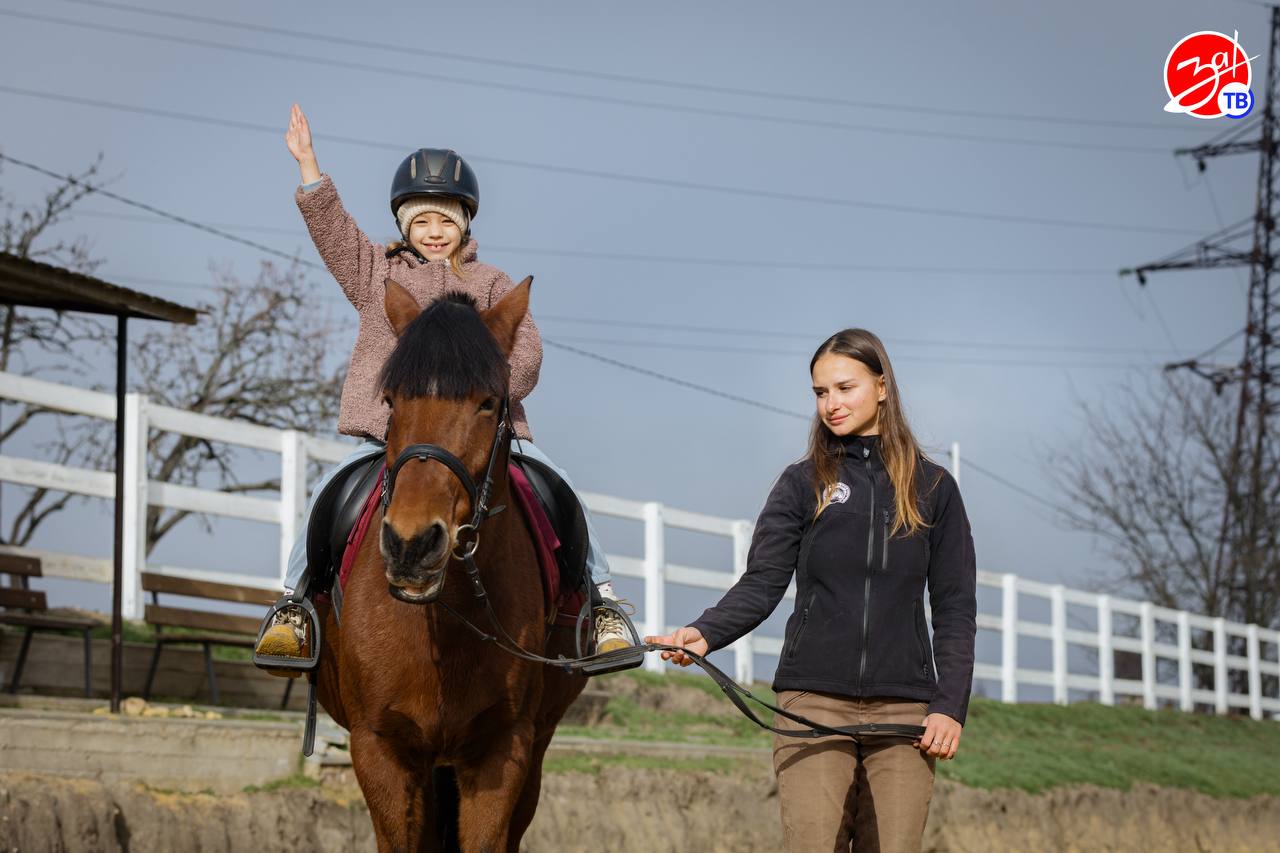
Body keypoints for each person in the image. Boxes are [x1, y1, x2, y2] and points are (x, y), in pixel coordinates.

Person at [254, 104, 633, 665]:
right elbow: (334, 233)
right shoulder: (377, 274)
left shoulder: (492, 284)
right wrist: (309, 168)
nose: (435, 233)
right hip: (391, 438)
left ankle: (602, 605)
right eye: (422, 221)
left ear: (466, 225)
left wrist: (483, 392)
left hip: (484, 439)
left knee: (561, 488)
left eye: (447, 221)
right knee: (328, 493)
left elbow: (526, 354)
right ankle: (293, 605)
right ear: (404, 226)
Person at [648, 328, 976, 853]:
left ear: (882, 387)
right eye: (821, 392)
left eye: (845, 388)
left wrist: (949, 705)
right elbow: (762, 583)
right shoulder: (801, 483)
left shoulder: (934, 488)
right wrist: (704, 633)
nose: (831, 404)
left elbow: (955, 609)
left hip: (905, 711)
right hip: (813, 701)